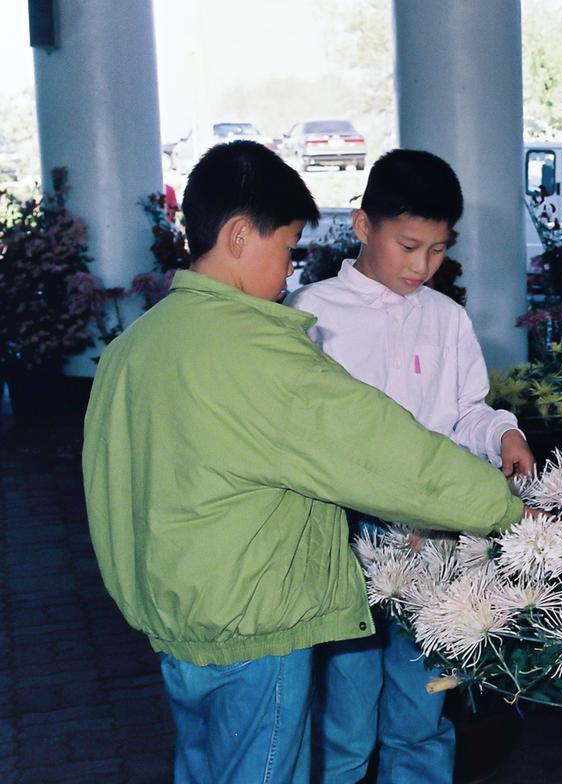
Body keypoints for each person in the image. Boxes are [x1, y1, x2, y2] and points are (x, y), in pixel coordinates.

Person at [82, 140, 527, 784]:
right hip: (256, 622)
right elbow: (375, 450)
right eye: (288, 249)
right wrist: (510, 514)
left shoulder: (135, 344)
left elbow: (111, 485)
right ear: (240, 237)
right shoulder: (263, 346)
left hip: (177, 622)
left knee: (208, 763)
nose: (292, 271)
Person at [287, 148, 535, 784]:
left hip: (431, 540)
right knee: (344, 717)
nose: (423, 266)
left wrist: (503, 433)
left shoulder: (446, 319)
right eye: (408, 245)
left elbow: (466, 413)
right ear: (363, 225)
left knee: (421, 713)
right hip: (349, 541)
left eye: (437, 250)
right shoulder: (312, 313)